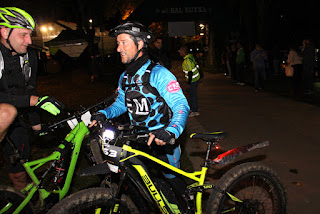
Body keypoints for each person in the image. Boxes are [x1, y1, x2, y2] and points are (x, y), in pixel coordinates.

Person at [89, 21, 190, 195]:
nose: (119, 48)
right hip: (137, 140)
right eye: (117, 43)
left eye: (123, 43)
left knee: (173, 181)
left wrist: (171, 131)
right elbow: (121, 104)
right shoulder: (125, 77)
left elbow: (181, 104)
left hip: (162, 140)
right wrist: (103, 113)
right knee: (139, 188)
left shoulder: (159, 73)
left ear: (140, 44)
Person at [0, 7, 64, 190]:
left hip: (17, 119)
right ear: (5, 32)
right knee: (7, 111)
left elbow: (30, 89)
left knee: (20, 174)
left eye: (30, 35)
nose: (29, 41)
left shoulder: (28, 57)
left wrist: (36, 124)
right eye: (23, 35)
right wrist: (35, 101)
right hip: (4, 113)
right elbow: (30, 98)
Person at [179, 45, 200, 117]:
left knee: (192, 95)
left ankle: (195, 111)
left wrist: (188, 83)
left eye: (180, 51)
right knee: (192, 94)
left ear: (183, 51)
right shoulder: (190, 57)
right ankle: (194, 108)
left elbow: (190, 72)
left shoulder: (186, 61)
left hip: (193, 80)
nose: (179, 52)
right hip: (196, 79)